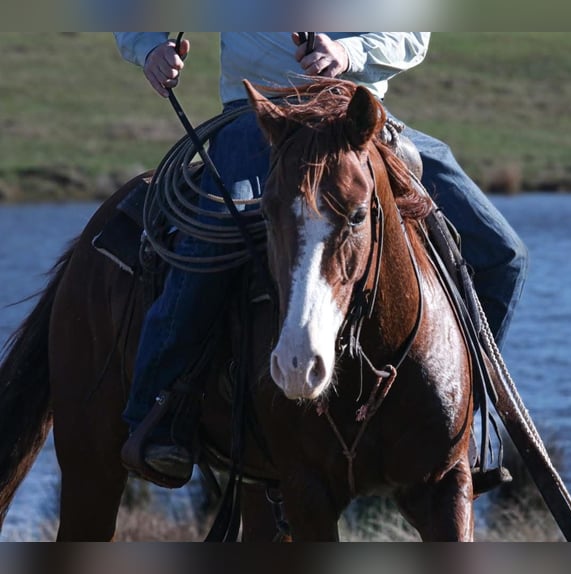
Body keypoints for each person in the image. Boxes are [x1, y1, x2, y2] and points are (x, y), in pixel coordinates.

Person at [113, 32, 528, 486]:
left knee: (502, 253)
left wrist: (349, 53)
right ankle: (157, 416)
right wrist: (149, 46)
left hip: (356, 117)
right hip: (259, 119)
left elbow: (411, 34)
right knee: (208, 244)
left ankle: (467, 422)